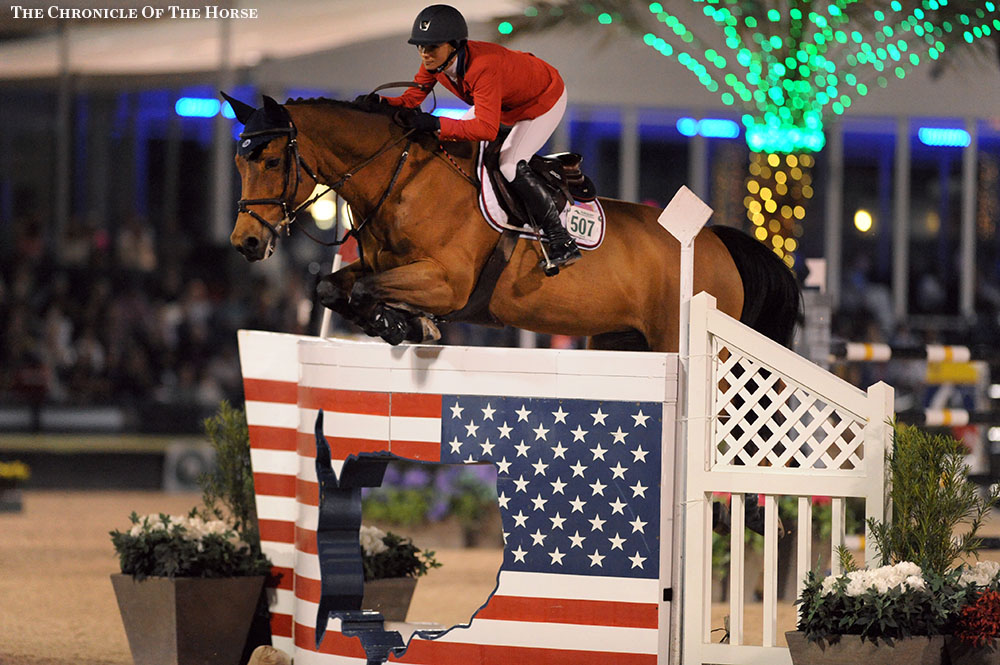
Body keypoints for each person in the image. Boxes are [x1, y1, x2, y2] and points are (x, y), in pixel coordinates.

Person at [373, 4, 581, 272]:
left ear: (454, 45)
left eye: (432, 47)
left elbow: (486, 129)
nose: (424, 54)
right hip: (504, 100)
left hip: (542, 100)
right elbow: (411, 100)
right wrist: (379, 103)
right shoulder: (436, 62)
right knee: (454, 142)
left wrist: (435, 122)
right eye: (421, 47)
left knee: (508, 163)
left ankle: (561, 238)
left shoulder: (483, 67)